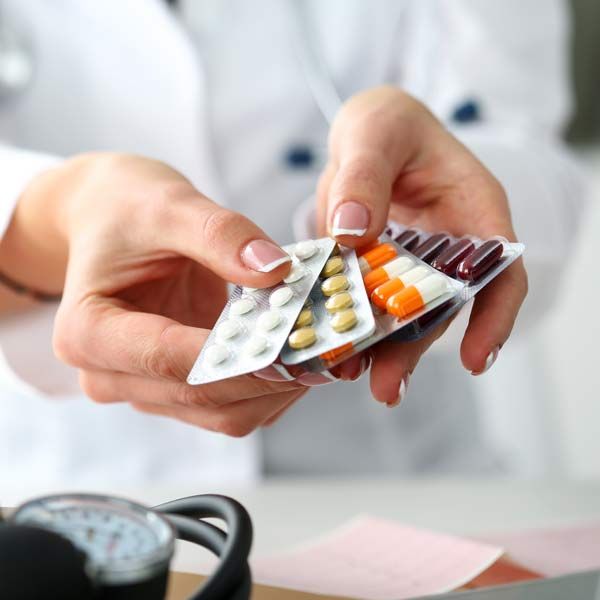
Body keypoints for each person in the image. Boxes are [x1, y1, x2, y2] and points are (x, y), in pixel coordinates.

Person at [0, 1, 582, 496]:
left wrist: (418, 220)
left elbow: (521, 145)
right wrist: (51, 217)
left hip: (396, 486)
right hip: (73, 488)